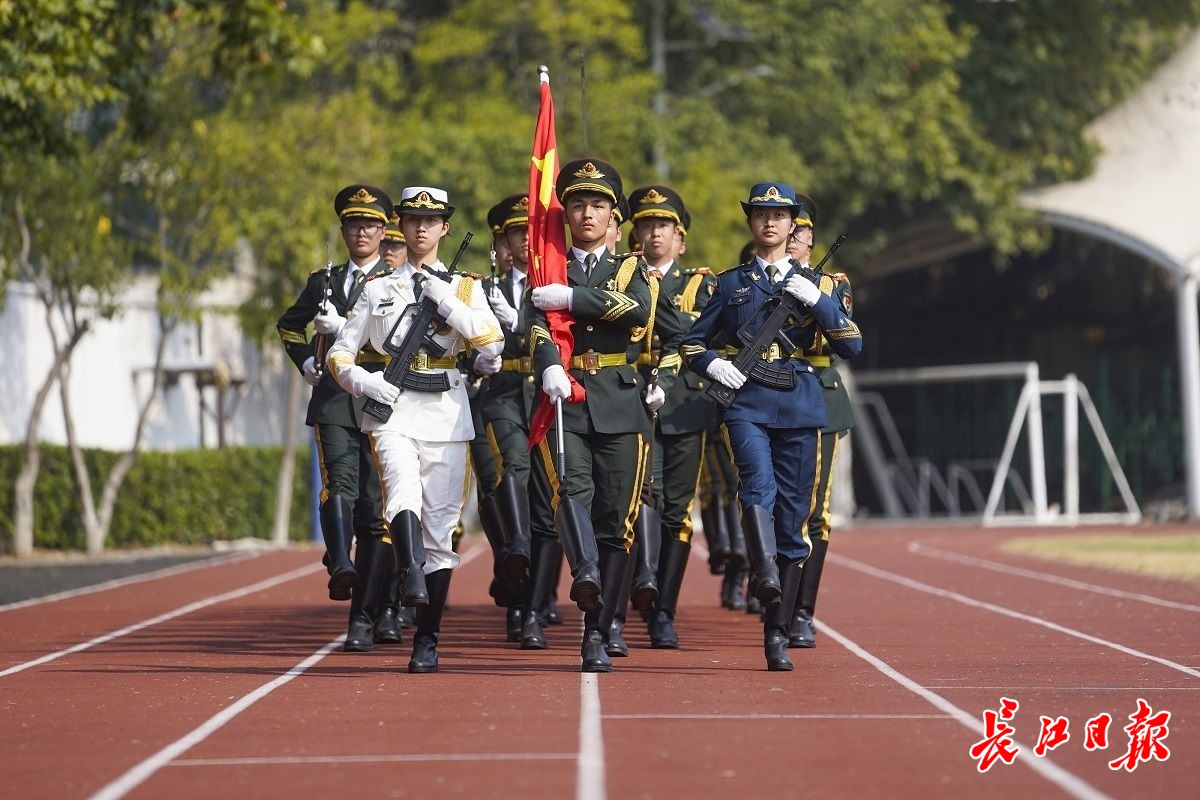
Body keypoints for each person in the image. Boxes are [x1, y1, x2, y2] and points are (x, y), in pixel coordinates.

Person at [681, 182, 862, 671]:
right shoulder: (731, 282)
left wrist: (818, 302)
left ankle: (776, 631)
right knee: (755, 486)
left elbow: (851, 345)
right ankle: (763, 573)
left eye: (779, 215)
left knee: (794, 518)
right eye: (761, 214)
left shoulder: (817, 285)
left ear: (792, 225)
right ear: (752, 223)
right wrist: (715, 366)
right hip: (746, 403)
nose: (770, 223)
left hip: (800, 402)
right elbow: (693, 343)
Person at [327, 185, 504, 673]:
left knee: (440, 532)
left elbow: (492, 349)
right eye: (411, 220)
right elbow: (340, 352)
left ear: (445, 228)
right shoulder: (378, 288)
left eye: (431, 221)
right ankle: (408, 575)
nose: (421, 228)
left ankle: (427, 636)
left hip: (446, 413)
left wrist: (449, 305)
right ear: (399, 228)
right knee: (400, 492)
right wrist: (363, 381)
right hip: (394, 409)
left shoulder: (465, 287)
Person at [526, 157, 671, 673]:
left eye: (598, 205)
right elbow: (537, 325)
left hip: (619, 400)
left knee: (618, 520)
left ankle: (600, 627)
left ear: (614, 216)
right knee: (570, 490)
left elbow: (635, 311)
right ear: (565, 213)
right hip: (566, 397)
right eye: (579, 204)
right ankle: (583, 571)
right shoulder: (546, 267)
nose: (588, 214)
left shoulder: (631, 269)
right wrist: (547, 366)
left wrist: (572, 297)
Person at [276, 183, 396, 652]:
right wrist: (306, 358)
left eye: (370, 223)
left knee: (376, 508)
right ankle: (340, 563)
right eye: (353, 223)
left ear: (383, 230)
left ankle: (373, 611)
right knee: (338, 484)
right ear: (344, 229)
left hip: (378, 397)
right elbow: (289, 323)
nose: (361, 231)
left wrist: (343, 328)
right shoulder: (322, 281)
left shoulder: (398, 281)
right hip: (332, 400)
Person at [622, 185, 718, 651]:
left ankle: (664, 612)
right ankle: (634, 588)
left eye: (664, 226)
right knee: (637, 499)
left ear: (680, 238)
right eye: (646, 225)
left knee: (677, 511)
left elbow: (701, 333)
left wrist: (651, 309)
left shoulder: (700, 285)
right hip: (629, 401)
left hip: (683, 405)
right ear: (634, 233)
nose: (654, 233)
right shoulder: (619, 279)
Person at [783, 208, 856, 649]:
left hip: (821, 395)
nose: (791, 236)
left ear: (810, 237)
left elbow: (846, 337)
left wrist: (814, 298)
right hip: (768, 396)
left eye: (800, 230)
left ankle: (802, 613)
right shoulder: (758, 277)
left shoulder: (833, 284)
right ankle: (777, 596)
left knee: (816, 511)